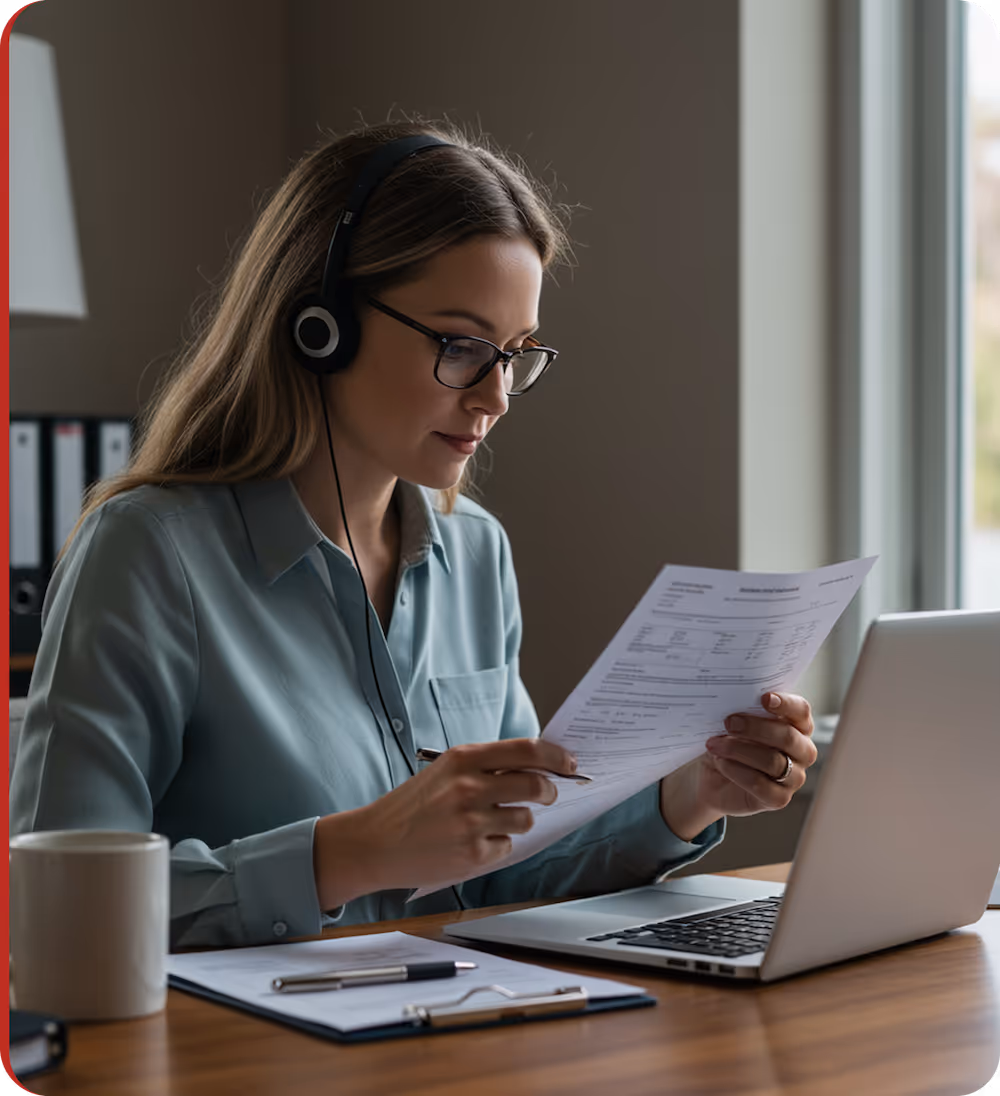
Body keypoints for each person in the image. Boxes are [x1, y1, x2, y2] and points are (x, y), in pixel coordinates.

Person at [9, 121, 818, 949]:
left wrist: (691, 792)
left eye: (516, 354)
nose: (496, 396)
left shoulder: (475, 552)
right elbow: (56, 911)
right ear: (320, 326)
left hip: (447, 1038)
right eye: (464, 347)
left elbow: (504, 869)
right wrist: (351, 853)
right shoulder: (147, 554)